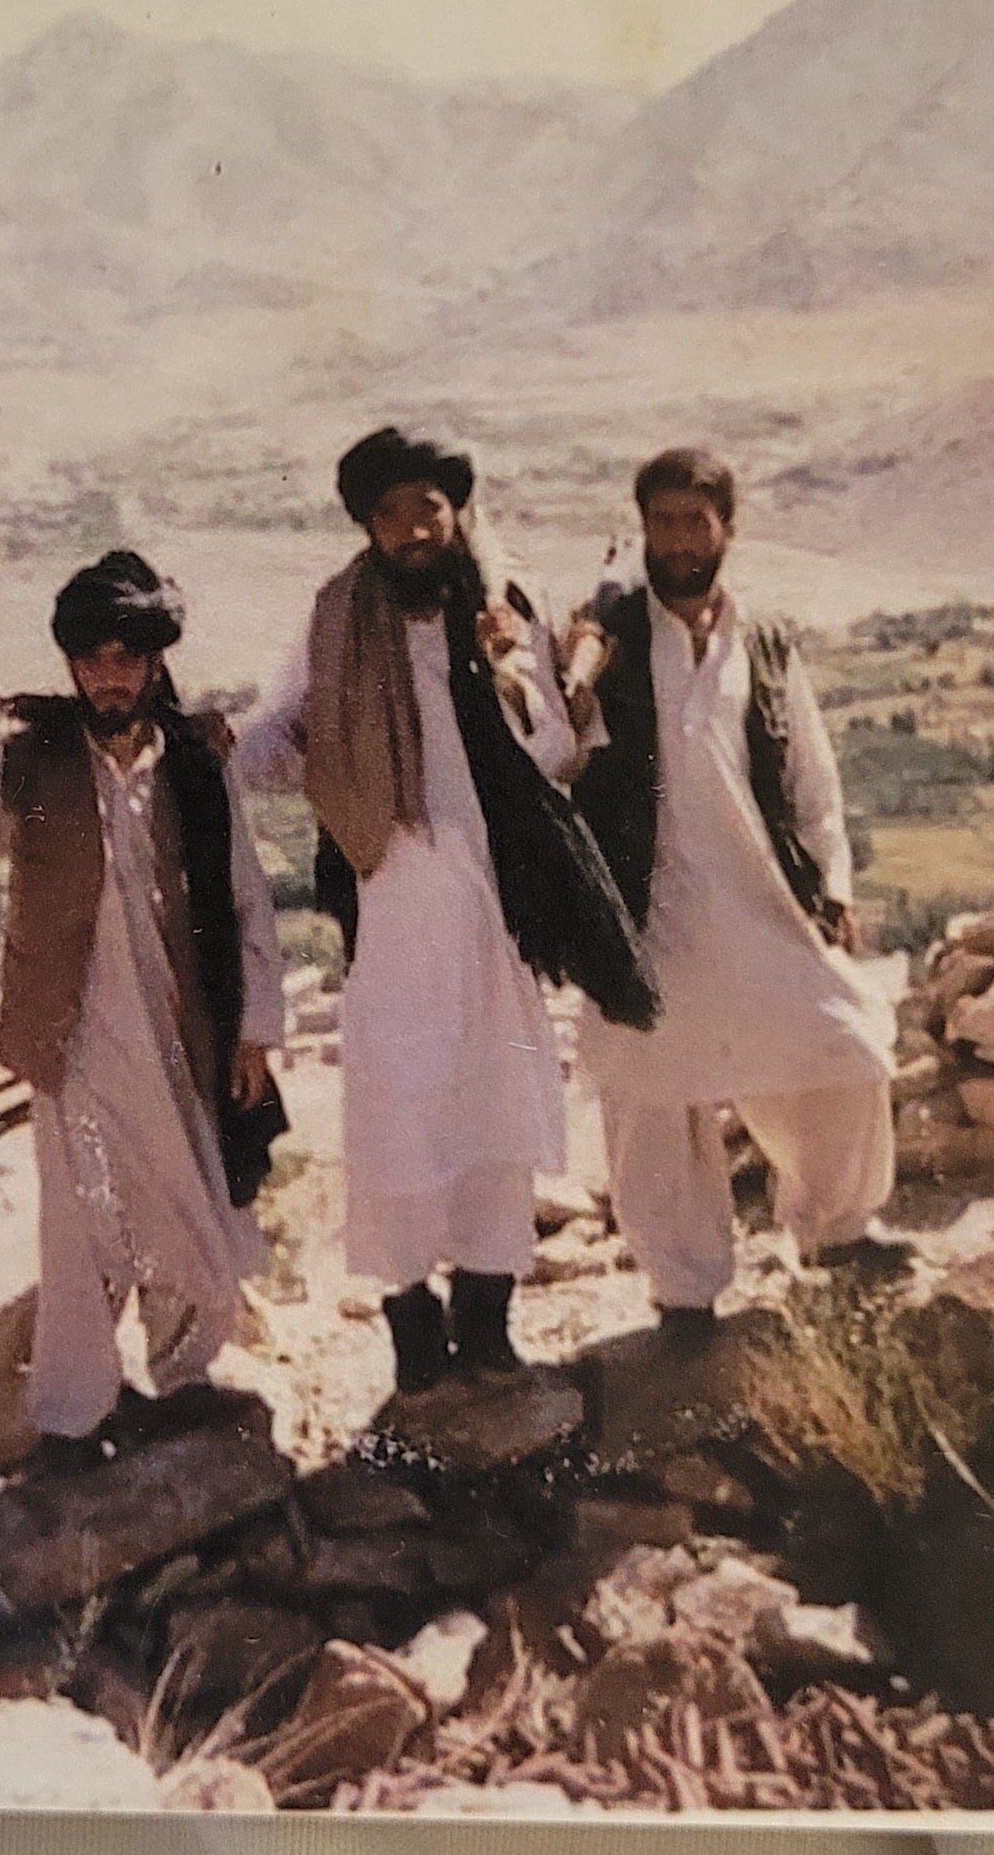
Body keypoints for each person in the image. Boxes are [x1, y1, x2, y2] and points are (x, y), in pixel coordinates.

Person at [234, 429, 655, 1394]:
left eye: (428, 506)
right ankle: (416, 1346)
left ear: (456, 509)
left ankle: (490, 1328)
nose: (413, 528)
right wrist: (216, 750)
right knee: (397, 1122)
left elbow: (556, 749)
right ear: (368, 527)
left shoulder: (508, 604)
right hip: (392, 902)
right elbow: (276, 729)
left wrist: (510, 674)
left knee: (496, 1119)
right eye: (390, 513)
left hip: (495, 909)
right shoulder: (336, 616)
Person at [0, 550, 284, 1463]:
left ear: (155, 660)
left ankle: (185, 1379)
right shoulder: (32, 762)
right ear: (71, 663)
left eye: (127, 656)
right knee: (81, 1224)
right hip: (73, 1036)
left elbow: (245, 898)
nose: (108, 675)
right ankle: (75, 1414)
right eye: (92, 658)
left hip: (181, 1028)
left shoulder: (197, 761)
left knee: (192, 1194)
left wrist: (256, 1031)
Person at [566, 447, 902, 1348]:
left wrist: (832, 885)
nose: (679, 539)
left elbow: (811, 780)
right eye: (662, 522)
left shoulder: (764, 644)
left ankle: (835, 1234)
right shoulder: (604, 643)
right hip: (648, 917)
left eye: (696, 520)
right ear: (641, 533)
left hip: (761, 905)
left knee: (846, 1044)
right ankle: (683, 1293)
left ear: (728, 530)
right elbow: (552, 755)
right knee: (650, 1095)